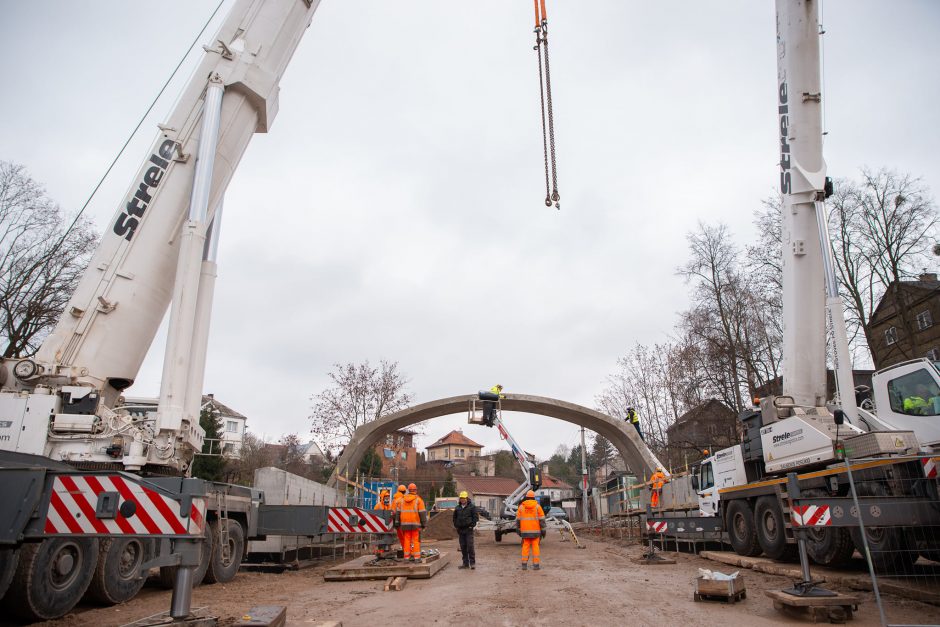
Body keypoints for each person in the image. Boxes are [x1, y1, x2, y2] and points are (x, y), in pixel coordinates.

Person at [394, 483, 427, 562]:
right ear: (415, 490)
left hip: (405, 524)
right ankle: (416, 558)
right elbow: (422, 513)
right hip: (415, 524)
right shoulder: (419, 500)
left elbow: (398, 512)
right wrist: (424, 524)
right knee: (416, 540)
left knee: (407, 540)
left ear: (408, 490)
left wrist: (397, 522)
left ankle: (406, 557)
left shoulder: (401, 500)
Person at [515, 490, 545, 571]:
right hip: (536, 532)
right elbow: (542, 520)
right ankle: (536, 565)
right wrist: (543, 530)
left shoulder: (521, 507)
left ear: (526, 497)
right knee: (535, 547)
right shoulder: (538, 507)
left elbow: (517, 520)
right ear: (533, 497)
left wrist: (518, 529)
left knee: (525, 546)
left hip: (525, 532)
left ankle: (524, 565)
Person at [452, 490, 479, 569]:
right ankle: (465, 563)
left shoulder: (472, 507)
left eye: (464, 498)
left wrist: (472, 526)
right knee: (463, 547)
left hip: (468, 529)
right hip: (461, 530)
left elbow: (476, 518)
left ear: (467, 498)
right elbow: (454, 518)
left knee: (470, 546)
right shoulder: (457, 508)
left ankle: (472, 563)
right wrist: (456, 526)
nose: (462, 500)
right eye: (461, 498)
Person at [392, 484, 407, 553]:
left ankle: (405, 550)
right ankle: (407, 550)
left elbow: (393, 511)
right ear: (404, 491)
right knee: (407, 537)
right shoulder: (404, 499)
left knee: (401, 537)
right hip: (404, 520)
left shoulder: (394, 500)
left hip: (396, 520)